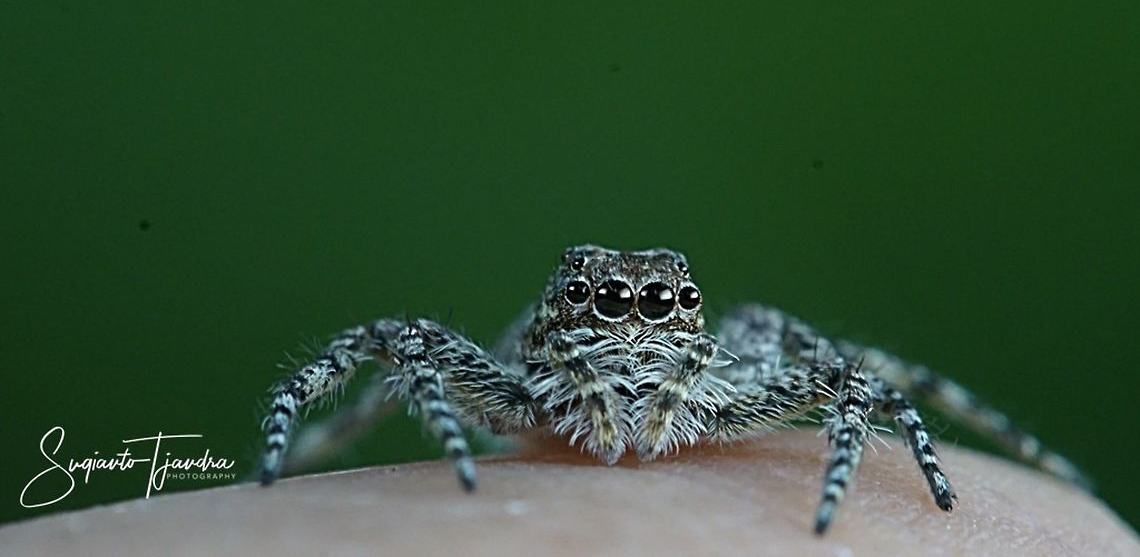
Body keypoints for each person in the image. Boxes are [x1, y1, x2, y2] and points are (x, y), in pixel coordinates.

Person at [1, 430, 1135, 556]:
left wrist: (861, 480)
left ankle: (1025, 451)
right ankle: (291, 466)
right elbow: (396, 345)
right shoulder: (522, 376)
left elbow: (853, 384)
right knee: (389, 335)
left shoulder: (731, 367)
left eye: (659, 316)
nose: (632, 337)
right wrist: (459, 443)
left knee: (855, 372)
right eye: (607, 313)